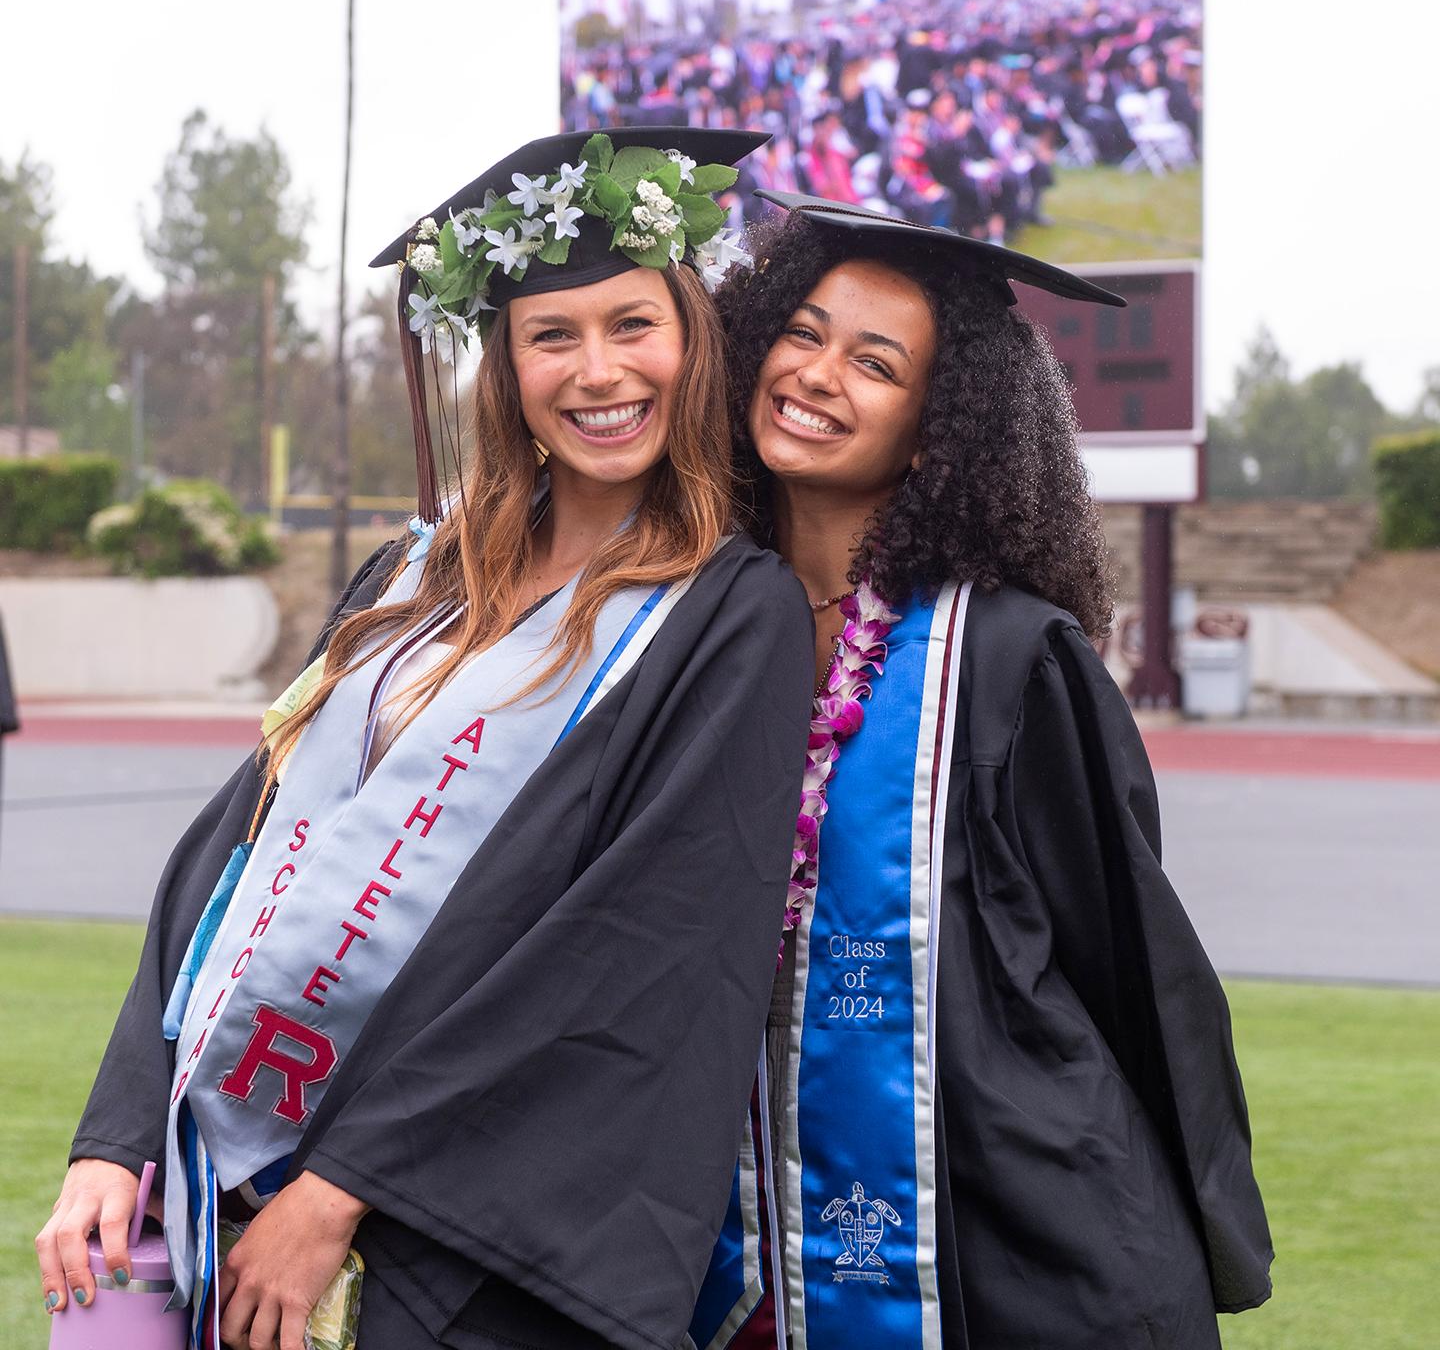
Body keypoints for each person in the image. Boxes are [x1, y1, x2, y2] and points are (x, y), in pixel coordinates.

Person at [35, 129, 816, 1350]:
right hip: (247, 1182)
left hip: (467, 1248)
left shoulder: (727, 615)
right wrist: (118, 1134)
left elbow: (630, 944)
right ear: (502, 370)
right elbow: (235, 852)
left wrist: (345, 1188)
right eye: (551, 336)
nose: (598, 369)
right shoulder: (411, 580)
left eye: (633, 325)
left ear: (692, 341)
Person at [697, 191, 1273, 1349]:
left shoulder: (1010, 660)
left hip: (999, 1217)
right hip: (749, 1219)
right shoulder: (692, 632)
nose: (815, 375)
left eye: (874, 362)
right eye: (801, 335)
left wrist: (1169, 1209)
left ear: (940, 425)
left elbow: (1126, 961)